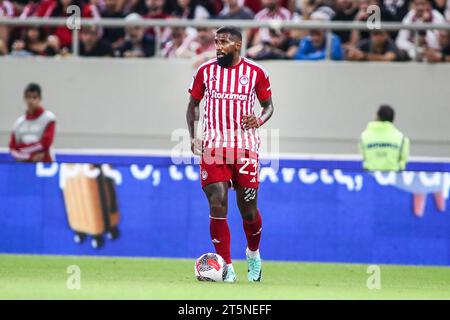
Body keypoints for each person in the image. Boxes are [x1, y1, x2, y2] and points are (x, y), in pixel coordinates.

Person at [186, 27, 274, 283]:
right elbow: (193, 105)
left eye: (224, 42)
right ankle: (226, 267)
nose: (219, 46)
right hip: (213, 148)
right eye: (216, 42)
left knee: (248, 210)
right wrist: (193, 135)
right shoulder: (205, 71)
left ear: (237, 45)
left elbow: (269, 107)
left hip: (246, 149)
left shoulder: (256, 72)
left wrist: (258, 119)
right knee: (217, 201)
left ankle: (253, 254)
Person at [9, 83, 56, 163]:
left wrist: (21, 148)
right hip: (24, 167)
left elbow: (45, 144)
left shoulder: (48, 118)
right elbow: (12, 148)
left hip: (44, 166)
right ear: (24, 98)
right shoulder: (18, 123)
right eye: (28, 97)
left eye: (34, 97)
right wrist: (30, 156)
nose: (31, 101)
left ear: (40, 99)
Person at [359, 105, 410, 171]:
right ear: (392, 118)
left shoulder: (364, 137)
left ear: (377, 116)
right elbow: (404, 161)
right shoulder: (402, 138)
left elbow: (364, 157)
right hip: (395, 178)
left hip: (369, 178)